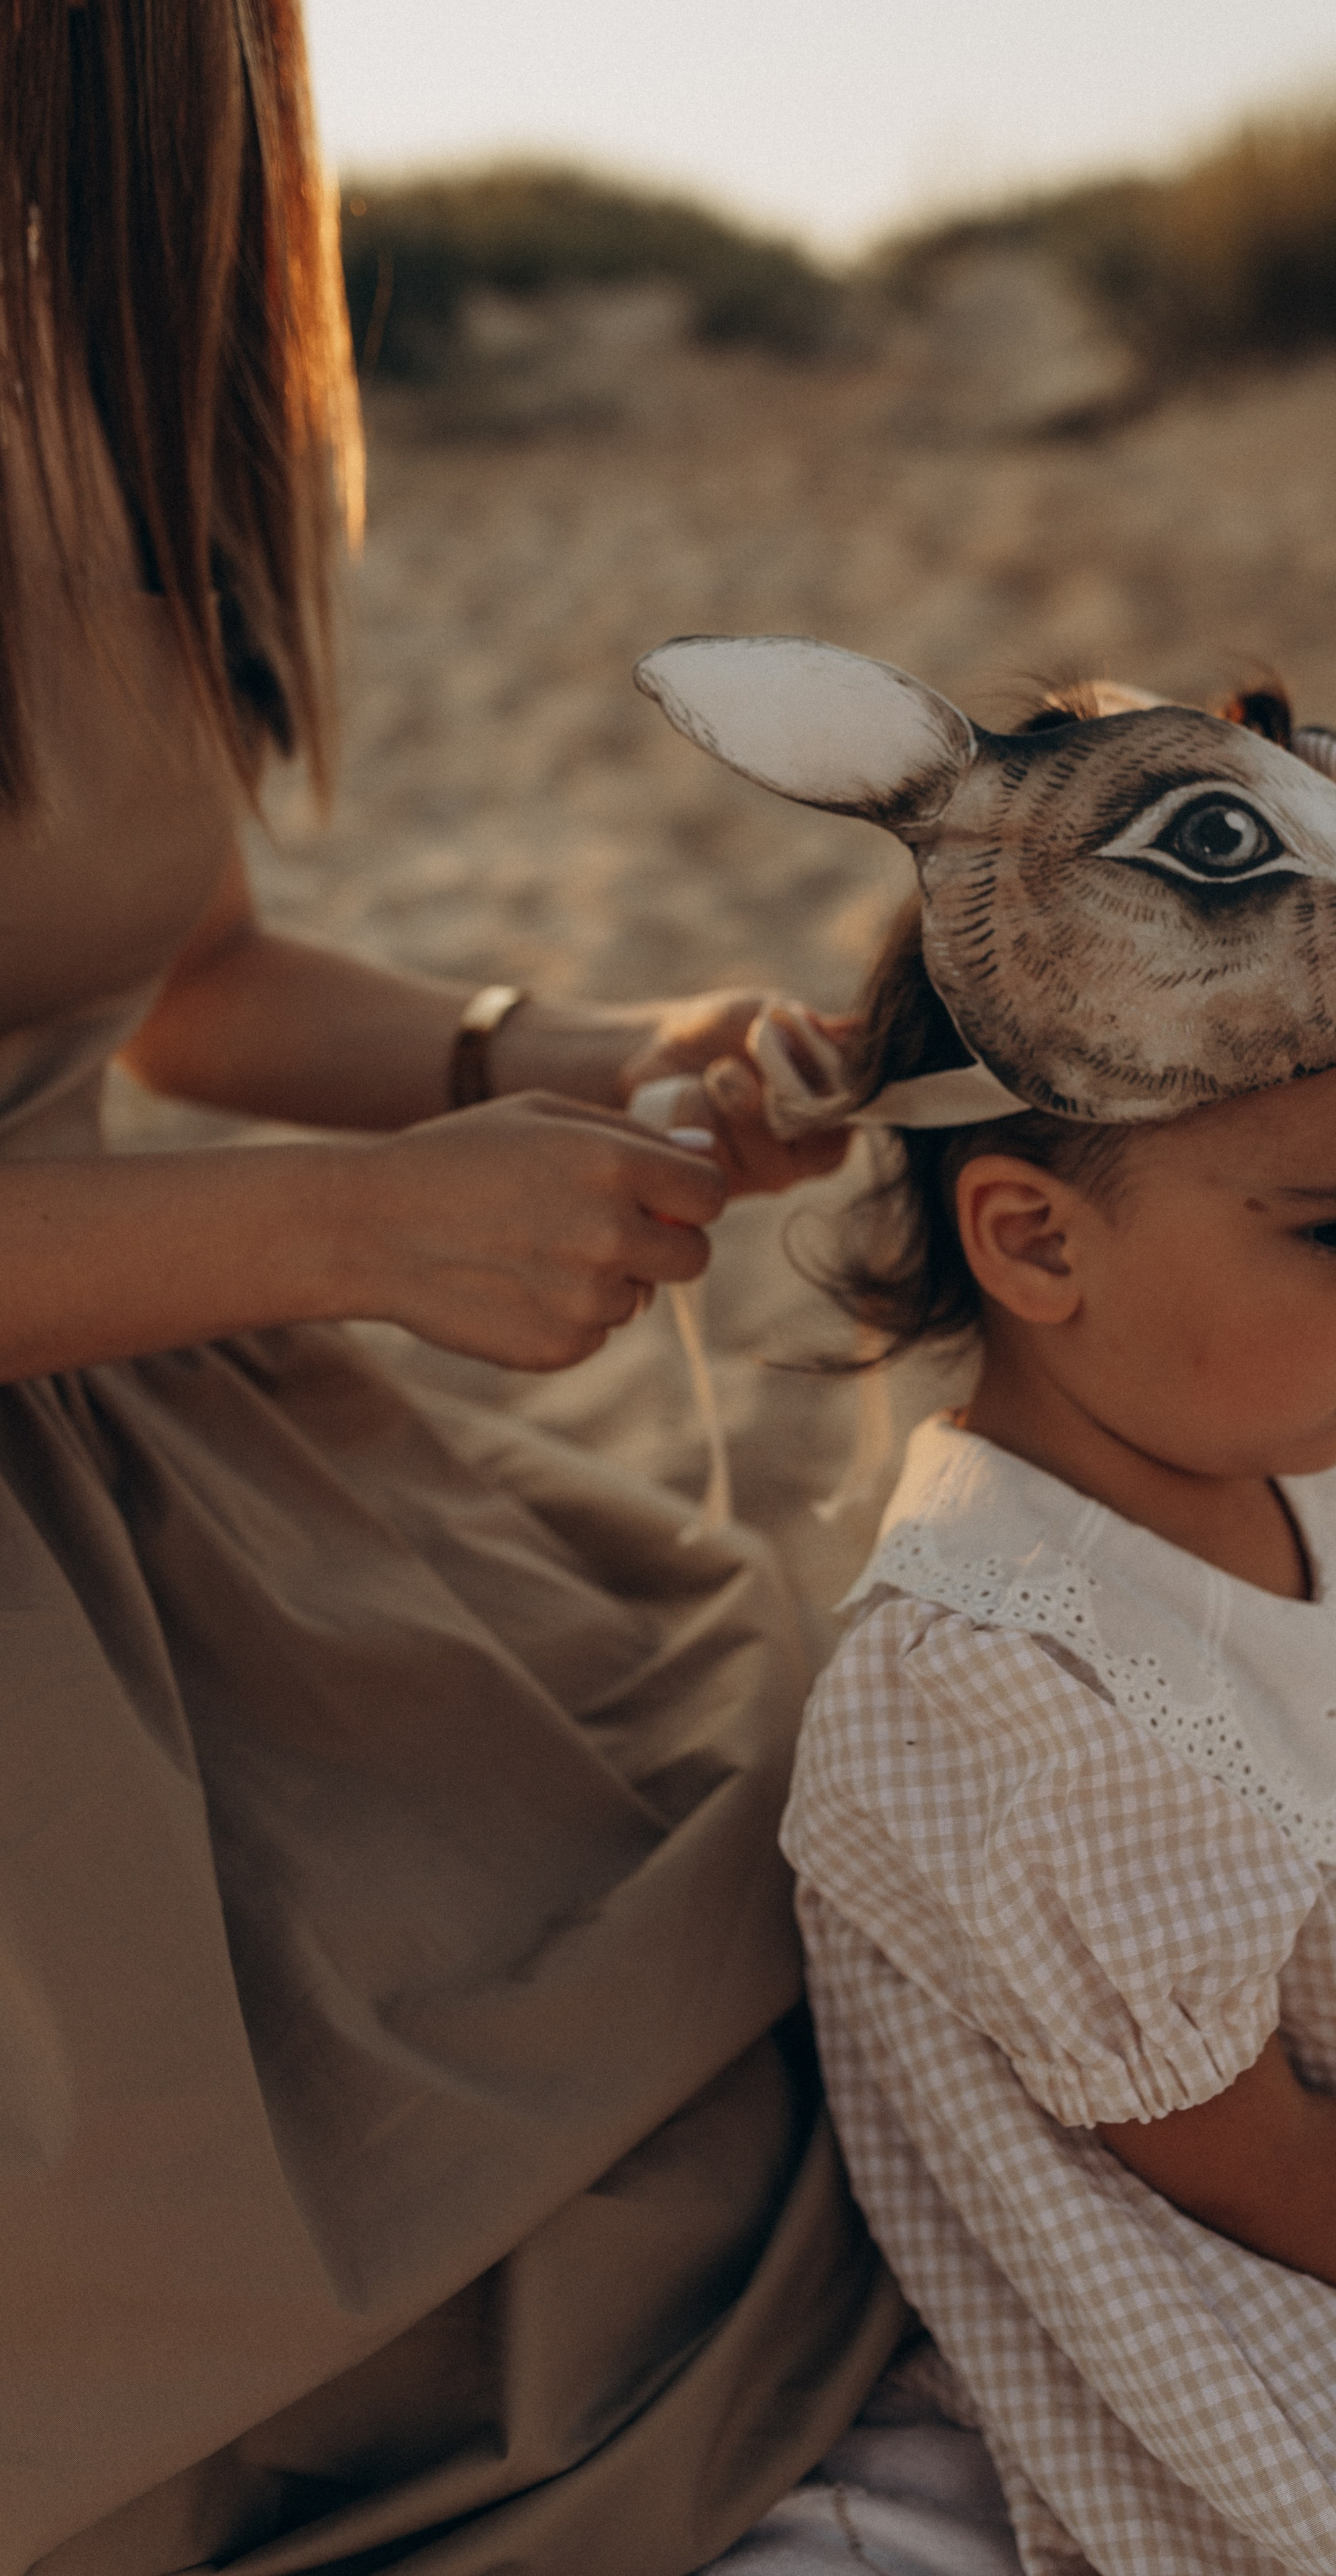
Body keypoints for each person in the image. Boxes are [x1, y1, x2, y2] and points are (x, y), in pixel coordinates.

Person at [0, 15, 905, 2575]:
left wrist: (575, 1056)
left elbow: (185, 978)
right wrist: (354, 1237)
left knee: (772, 1896)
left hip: (169, 1457)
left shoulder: (106, 336)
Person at [639, 633, 1336, 2575]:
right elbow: (1268, 2161)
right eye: (1333, 1234)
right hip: (1255, 2229)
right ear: (1036, 1240)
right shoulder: (998, 1689)